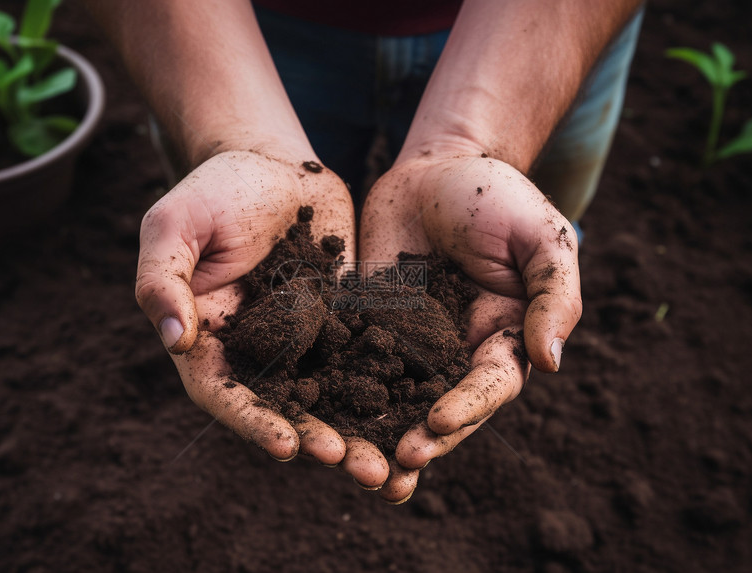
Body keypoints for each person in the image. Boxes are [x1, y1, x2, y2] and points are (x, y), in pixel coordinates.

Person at [86, 0, 644, 504]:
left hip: (550, 26)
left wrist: (467, 146)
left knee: (532, 230)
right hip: (243, 32)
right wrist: (241, 140)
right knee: (224, 234)